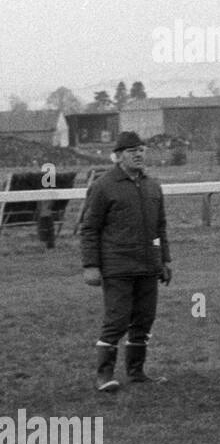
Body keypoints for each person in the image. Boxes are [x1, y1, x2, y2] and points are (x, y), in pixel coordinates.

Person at [81, 131, 172, 391]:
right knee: (117, 320)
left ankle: (136, 372)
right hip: (117, 267)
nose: (139, 154)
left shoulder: (153, 186)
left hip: (148, 267)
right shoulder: (103, 186)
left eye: (141, 150)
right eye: (132, 151)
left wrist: (163, 260)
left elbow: (159, 228)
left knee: (144, 319)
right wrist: (91, 266)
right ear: (119, 157)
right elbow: (90, 228)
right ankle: (104, 376)